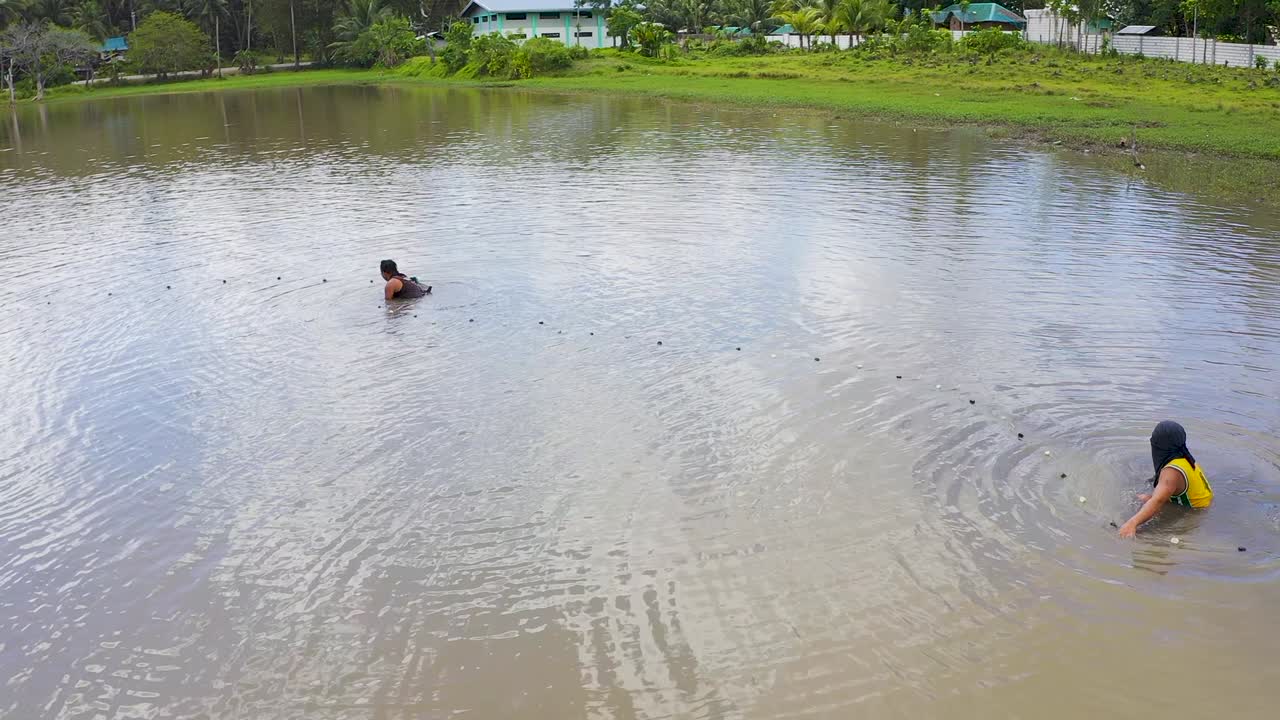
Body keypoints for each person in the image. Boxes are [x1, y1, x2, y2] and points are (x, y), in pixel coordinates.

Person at [1118, 420, 1213, 538]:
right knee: (1144, 498)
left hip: (1193, 513)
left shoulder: (1171, 471)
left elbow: (1157, 501)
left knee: (1143, 527)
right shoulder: (1185, 459)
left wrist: (1132, 523)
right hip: (1203, 504)